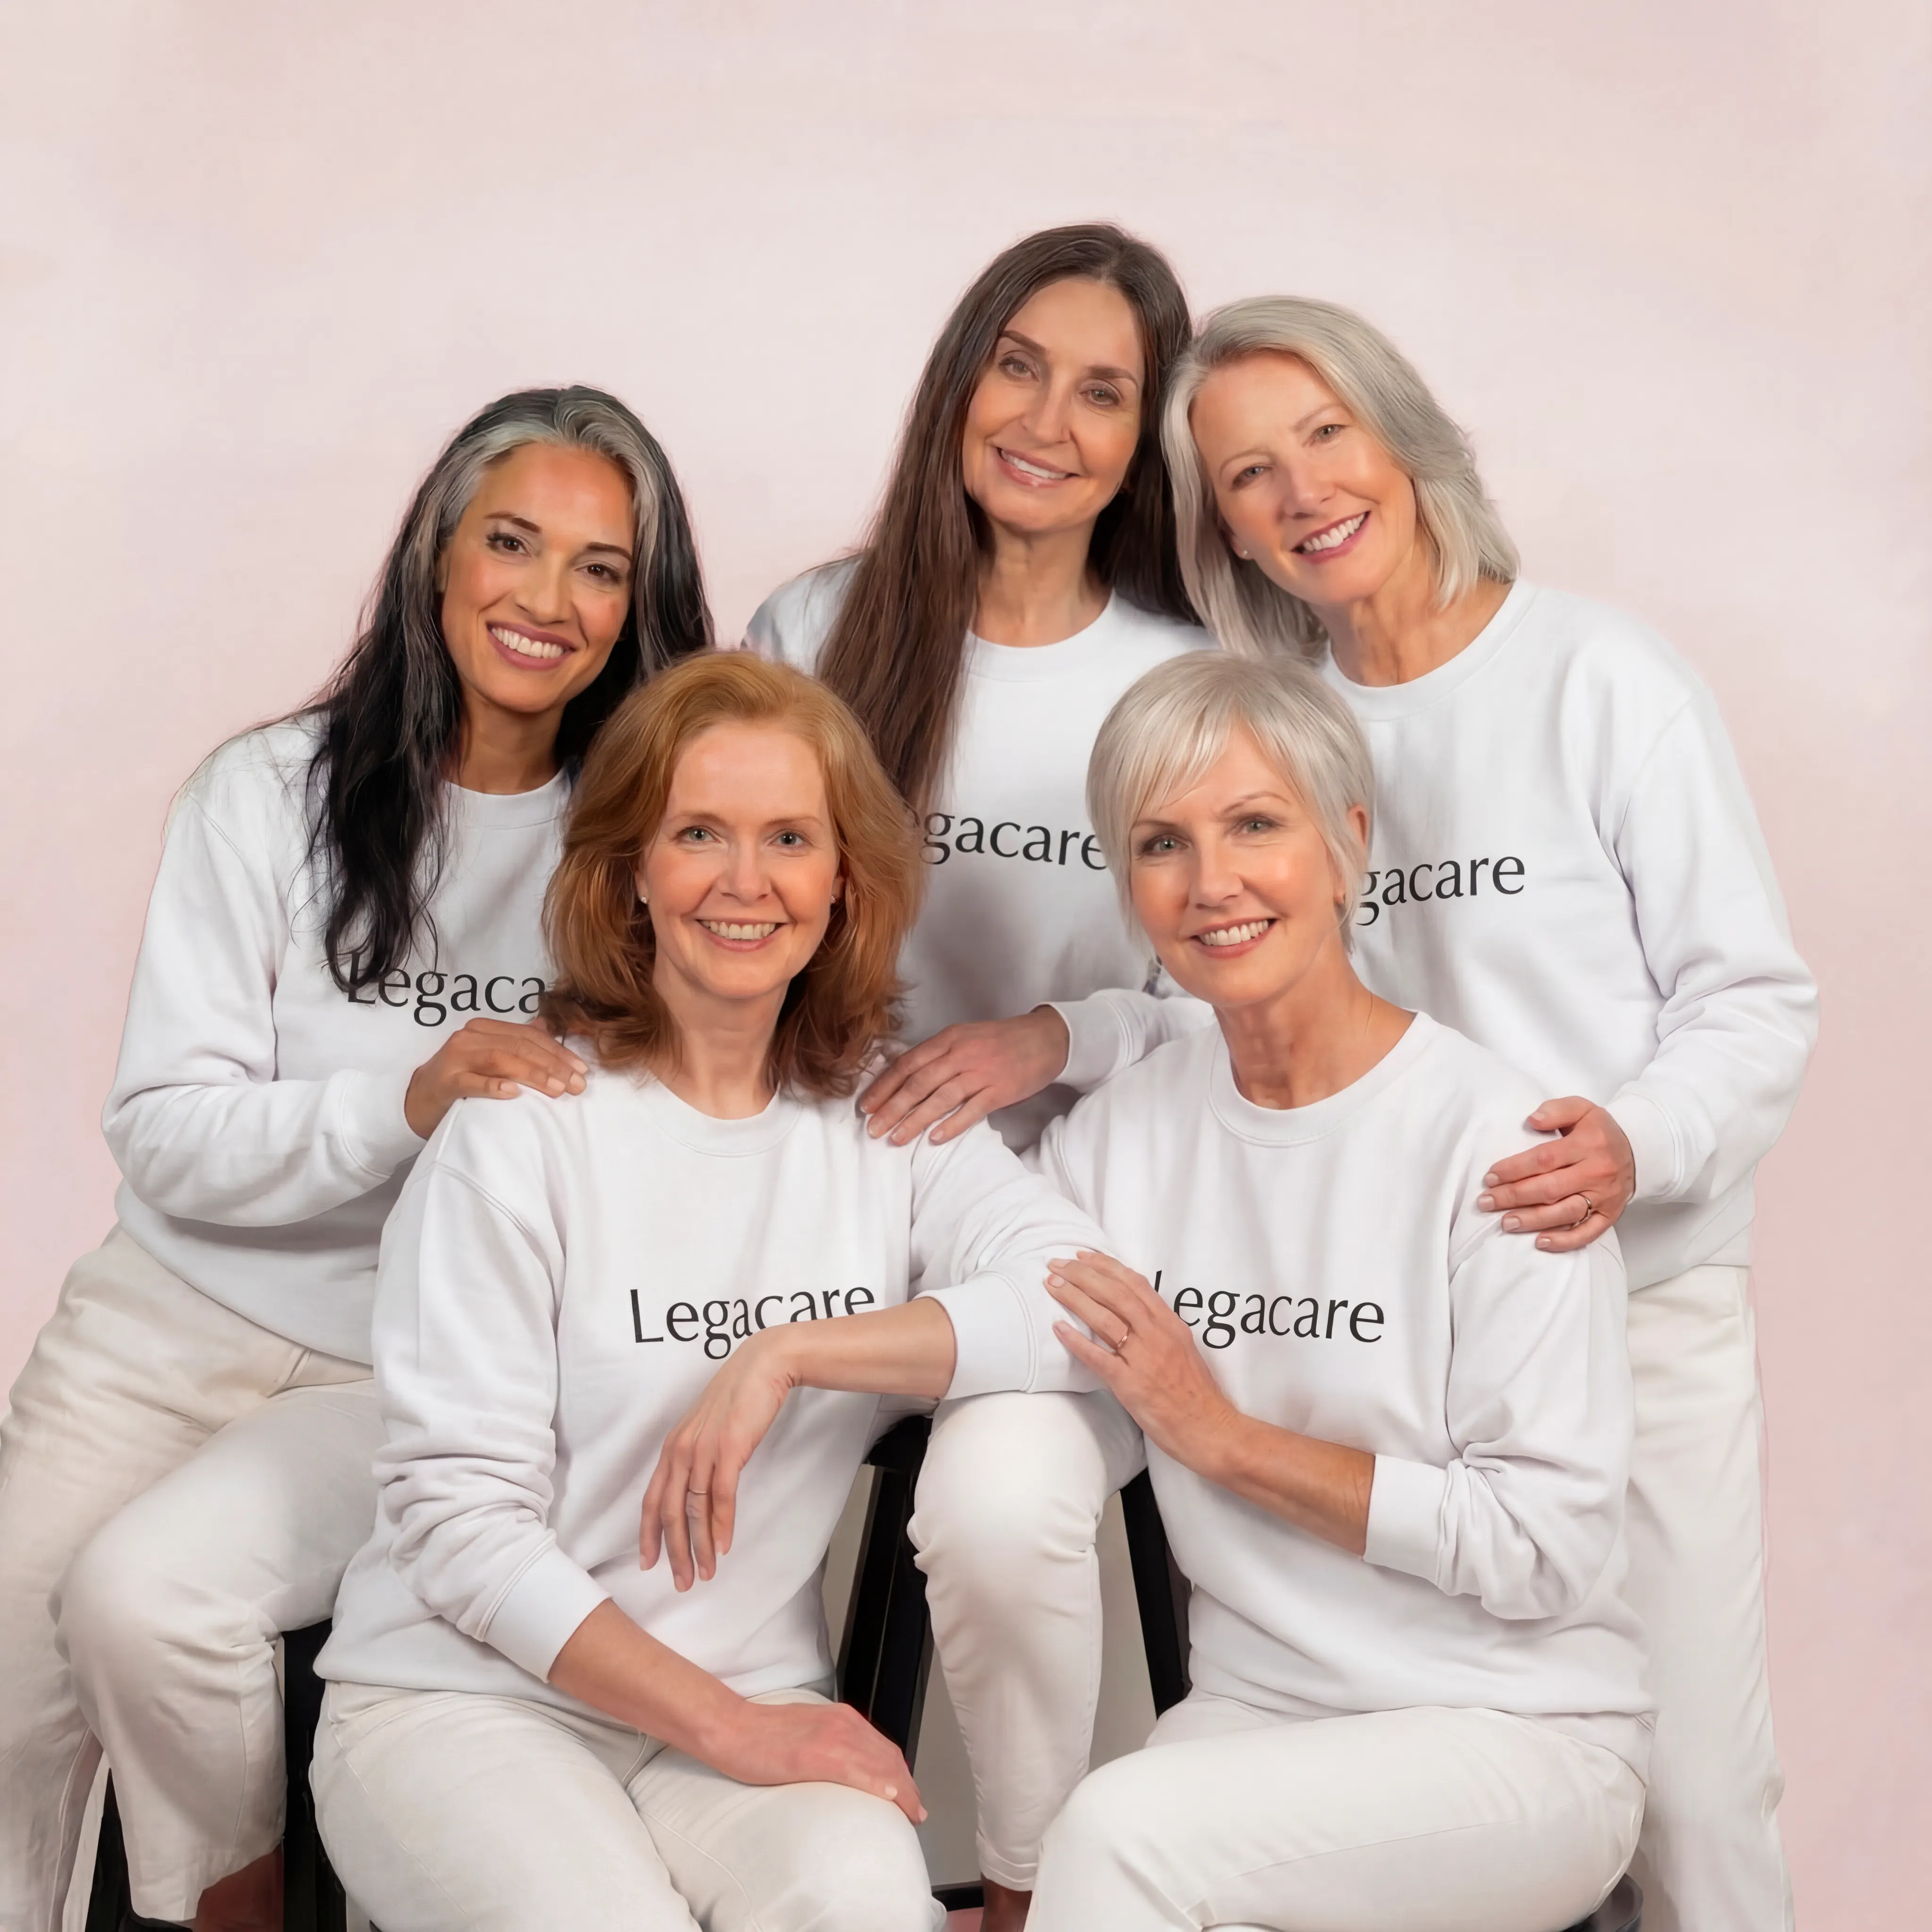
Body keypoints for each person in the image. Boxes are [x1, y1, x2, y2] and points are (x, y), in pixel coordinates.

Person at [0, 388, 711, 1932]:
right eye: (510, 542)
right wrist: (408, 1098)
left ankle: (222, 1909)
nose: (546, 598)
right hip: (161, 1327)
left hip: (423, 1371)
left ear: (637, 611)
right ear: (436, 561)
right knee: (6, 1700)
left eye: (600, 568)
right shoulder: (265, 794)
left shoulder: (658, 840)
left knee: (147, 1608)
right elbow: (165, 1135)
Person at [1166, 298, 1816, 1932]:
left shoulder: (1602, 678)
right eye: (1249, 472)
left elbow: (1753, 998)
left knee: (1699, 1793)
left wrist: (1635, 1140)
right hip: (1402, 1346)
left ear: (1405, 433)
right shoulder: (1277, 718)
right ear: (1223, 520)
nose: (1302, 490)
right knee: (1454, 1793)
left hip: (1638, 1311)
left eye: (1324, 434)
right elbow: (1229, 984)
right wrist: (1047, 1034)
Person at [310, 652, 1114, 1932]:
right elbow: (460, 1533)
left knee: (873, 1911)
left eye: (790, 837)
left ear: (845, 877)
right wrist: (735, 1729)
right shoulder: (525, 1129)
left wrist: (791, 1354)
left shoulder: (882, 1119)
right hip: (467, 1703)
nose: (748, 883)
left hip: (745, 1701)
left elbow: (1087, 1311)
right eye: (701, 834)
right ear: (632, 868)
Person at [1023, 650, 1650, 1932]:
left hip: (1518, 1735)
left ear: (1349, 843)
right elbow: (977, 1291)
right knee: (1133, 1839)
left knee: (1115, 1838)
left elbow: (1550, 1550)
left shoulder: (1499, 1149)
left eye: (1256, 824)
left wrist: (1225, 1439)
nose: (1214, 884)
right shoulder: (1119, 1141)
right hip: (1259, 1718)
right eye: (1161, 843)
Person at [746, 222, 1212, 1919]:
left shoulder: (1180, 668)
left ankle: (1027, 1894)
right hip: (828, 1193)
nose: (1047, 419)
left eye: (1104, 391)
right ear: (960, 382)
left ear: (1144, 439)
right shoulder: (817, 624)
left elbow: (1248, 1000)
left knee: (1008, 1514)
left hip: (1082, 1220)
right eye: (1018, 365)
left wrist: (1055, 1033)